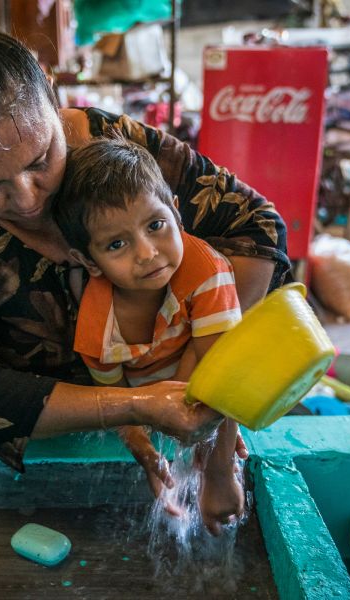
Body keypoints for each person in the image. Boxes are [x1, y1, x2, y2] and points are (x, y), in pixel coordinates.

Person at [0, 0, 291, 534]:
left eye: (41, 159)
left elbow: (256, 227)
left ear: (52, 94)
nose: (25, 196)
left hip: (165, 405)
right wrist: (134, 407)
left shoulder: (114, 146)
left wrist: (202, 380)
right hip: (15, 458)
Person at [53, 136, 245, 533]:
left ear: (176, 212)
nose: (147, 253)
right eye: (117, 244)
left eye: (156, 225)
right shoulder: (98, 332)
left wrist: (220, 471)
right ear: (88, 261)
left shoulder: (207, 271)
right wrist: (148, 456)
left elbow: (223, 373)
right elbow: (121, 406)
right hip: (151, 403)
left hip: (209, 381)